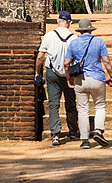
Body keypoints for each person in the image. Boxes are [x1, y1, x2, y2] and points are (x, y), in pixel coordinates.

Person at [64, 18, 112, 149]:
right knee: (100, 106)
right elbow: (106, 61)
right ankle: (98, 131)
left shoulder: (74, 43)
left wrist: (69, 77)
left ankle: (85, 140)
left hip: (80, 79)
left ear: (80, 31)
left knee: (83, 109)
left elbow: (66, 63)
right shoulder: (99, 42)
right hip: (97, 77)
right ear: (91, 29)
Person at [34, 11, 79, 146]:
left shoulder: (49, 36)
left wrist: (37, 72)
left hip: (52, 72)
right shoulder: (74, 38)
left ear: (57, 21)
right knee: (71, 102)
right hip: (68, 73)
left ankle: (55, 134)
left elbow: (40, 56)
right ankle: (73, 131)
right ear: (70, 23)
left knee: (53, 104)